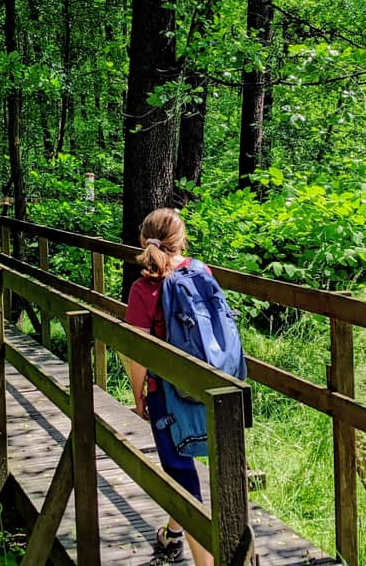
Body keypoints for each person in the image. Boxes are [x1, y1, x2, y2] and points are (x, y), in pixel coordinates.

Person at [125, 208, 213, 566]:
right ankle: (173, 534)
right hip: (209, 384)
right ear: (182, 240)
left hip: (168, 392)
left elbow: (137, 353)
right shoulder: (202, 272)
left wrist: (138, 397)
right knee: (187, 468)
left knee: (180, 475)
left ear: (144, 240)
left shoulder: (144, 287)